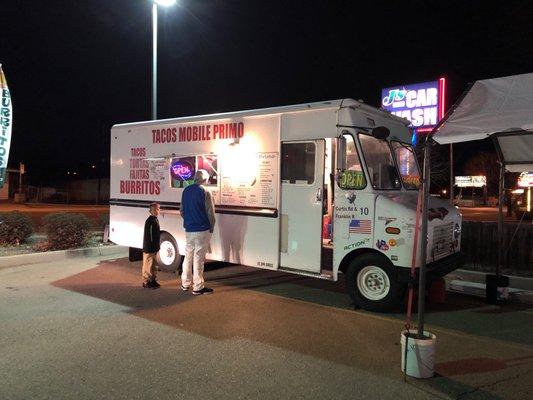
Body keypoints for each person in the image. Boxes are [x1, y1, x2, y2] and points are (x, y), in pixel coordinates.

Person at [180, 169, 216, 295]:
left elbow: (182, 211)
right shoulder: (205, 191)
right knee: (199, 257)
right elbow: (210, 212)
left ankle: (185, 283)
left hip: (189, 229)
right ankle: (198, 286)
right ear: (205, 180)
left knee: (188, 255)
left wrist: (189, 221)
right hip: (202, 229)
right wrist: (212, 226)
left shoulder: (186, 190)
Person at [142, 202, 161, 289]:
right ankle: (146, 281)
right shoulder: (150, 221)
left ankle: (153, 280)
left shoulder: (155, 220)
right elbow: (149, 237)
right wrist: (150, 247)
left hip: (154, 247)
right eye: (154, 209)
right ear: (150, 211)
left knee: (154, 265)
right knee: (148, 265)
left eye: (158, 209)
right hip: (149, 248)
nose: (157, 211)